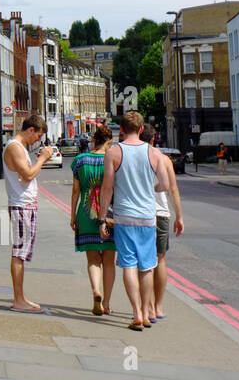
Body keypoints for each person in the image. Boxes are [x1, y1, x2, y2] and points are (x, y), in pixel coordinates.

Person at [98, 111, 172, 331]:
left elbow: (107, 188)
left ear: (121, 130)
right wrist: (150, 189)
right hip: (147, 217)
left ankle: (137, 313)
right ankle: (148, 314)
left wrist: (103, 218)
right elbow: (165, 185)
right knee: (147, 266)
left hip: (124, 216)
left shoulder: (113, 152)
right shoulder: (154, 153)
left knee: (128, 265)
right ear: (141, 130)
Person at [2, 114, 55, 312]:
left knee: (21, 254)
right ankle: (18, 301)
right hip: (21, 206)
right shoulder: (15, 147)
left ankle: (21, 297)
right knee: (19, 254)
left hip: (26, 206)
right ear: (30, 130)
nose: (38, 140)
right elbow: (28, 174)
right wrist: (42, 158)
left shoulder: (19, 147)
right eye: (38, 135)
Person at [70, 124, 116, 316]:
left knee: (92, 259)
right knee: (109, 260)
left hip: (86, 212)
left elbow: (75, 191)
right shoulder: (112, 159)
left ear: (94, 140)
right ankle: (105, 303)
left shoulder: (80, 160)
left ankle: (96, 291)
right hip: (109, 214)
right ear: (109, 141)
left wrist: (72, 215)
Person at [144, 125, 185, 322]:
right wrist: (179, 216)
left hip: (140, 214)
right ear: (154, 140)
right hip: (161, 214)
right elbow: (173, 189)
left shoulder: (134, 156)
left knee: (144, 261)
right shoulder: (164, 159)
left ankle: (149, 307)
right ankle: (158, 307)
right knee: (160, 260)